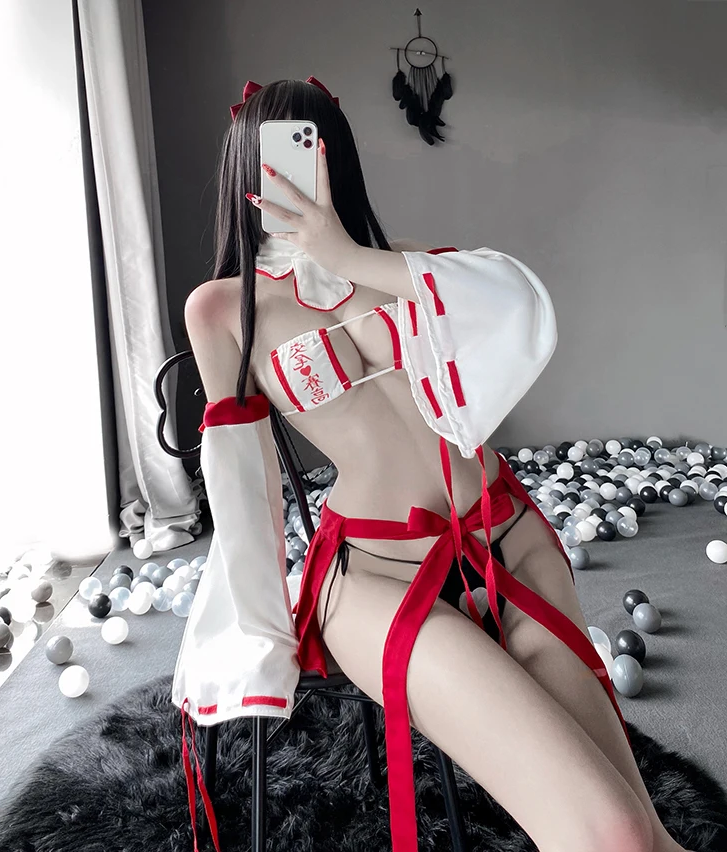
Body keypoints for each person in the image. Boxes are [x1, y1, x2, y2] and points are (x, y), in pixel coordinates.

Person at [171, 77, 692, 852]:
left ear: (337, 159)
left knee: (641, 828)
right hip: (375, 574)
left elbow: (519, 303)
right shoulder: (222, 309)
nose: (292, 170)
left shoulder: (404, 263)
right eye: (274, 154)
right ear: (245, 167)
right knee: (614, 832)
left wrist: (345, 256)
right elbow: (243, 482)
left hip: (504, 536)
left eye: (311, 148)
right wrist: (247, 633)